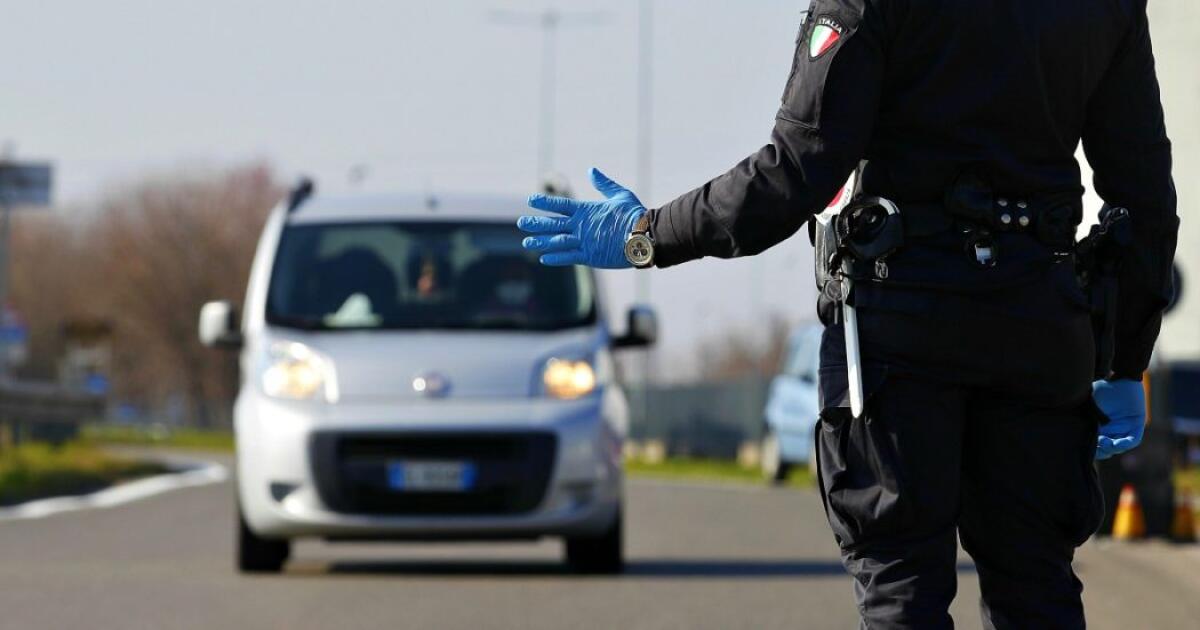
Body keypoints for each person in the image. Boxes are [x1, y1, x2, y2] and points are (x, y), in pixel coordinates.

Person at [516, 0, 1178, 628]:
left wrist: (649, 234)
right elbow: (1143, 199)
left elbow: (796, 171)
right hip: (1039, 330)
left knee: (902, 593)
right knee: (1038, 589)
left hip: (901, 328)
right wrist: (1125, 361)